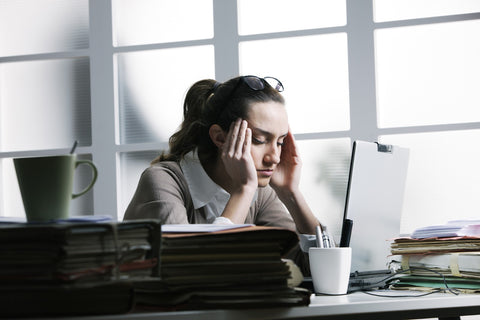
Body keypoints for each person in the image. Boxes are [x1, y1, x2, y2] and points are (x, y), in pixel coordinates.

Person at [124, 75, 324, 273]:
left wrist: (291, 194)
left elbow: (320, 270)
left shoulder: (261, 193)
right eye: (259, 140)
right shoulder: (163, 182)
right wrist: (243, 190)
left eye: (280, 142)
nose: (275, 158)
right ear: (220, 138)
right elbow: (189, 271)